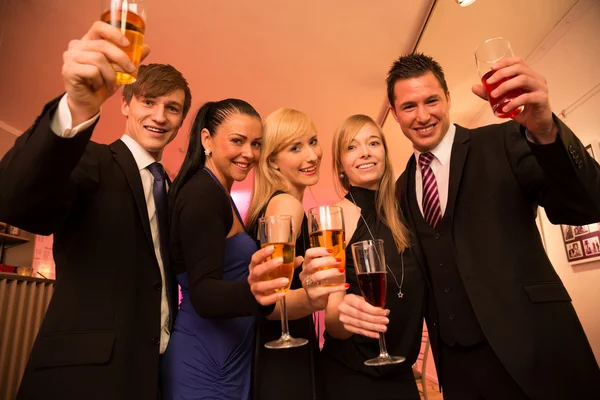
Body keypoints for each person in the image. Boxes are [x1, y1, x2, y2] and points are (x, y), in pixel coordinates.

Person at [340, 52, 600, 399]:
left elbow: (586, 204)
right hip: (460, 370)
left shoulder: (503, 141)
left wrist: (545, 128)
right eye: (408, 107)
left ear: (447, 98)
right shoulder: (401, 189)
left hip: (538, 352)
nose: (422, 116)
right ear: (394, 113)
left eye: (431, 100)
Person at [0, 22, 192, 399]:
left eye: (173, 108)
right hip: (83, 378)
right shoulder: (94, 160)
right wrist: (76, 108)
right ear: (124, 103)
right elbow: (14, 199)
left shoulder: (174, 189)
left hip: (155, 373)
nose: (160, 116)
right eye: (148, 101)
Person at [162, 99, 285, 399]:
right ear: (207, 140)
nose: (249, 153)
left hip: (226, 358)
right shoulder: (202, 194)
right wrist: (256, 293)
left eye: (256, 143)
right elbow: (203, 294)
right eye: (237, 141)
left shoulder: (218, 192)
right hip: (205, 360)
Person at [318, 114, 426, 400]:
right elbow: (332, 321)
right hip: (352, 375)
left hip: (401, 372)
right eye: (351, 147)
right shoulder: (335, 219)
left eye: (373, 143)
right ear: (341, 166)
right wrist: (345, 315)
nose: (364, 151)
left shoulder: (407, 214)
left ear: (385, 154)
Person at [246, 108, 346, 400]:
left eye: (313, 141)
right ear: (273, 161)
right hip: (285, 353)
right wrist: (317, 297)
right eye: (295, 147)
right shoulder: (287, 206)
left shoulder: (269, 204)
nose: (312, 155)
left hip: (274, 348)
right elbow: (273, 303)